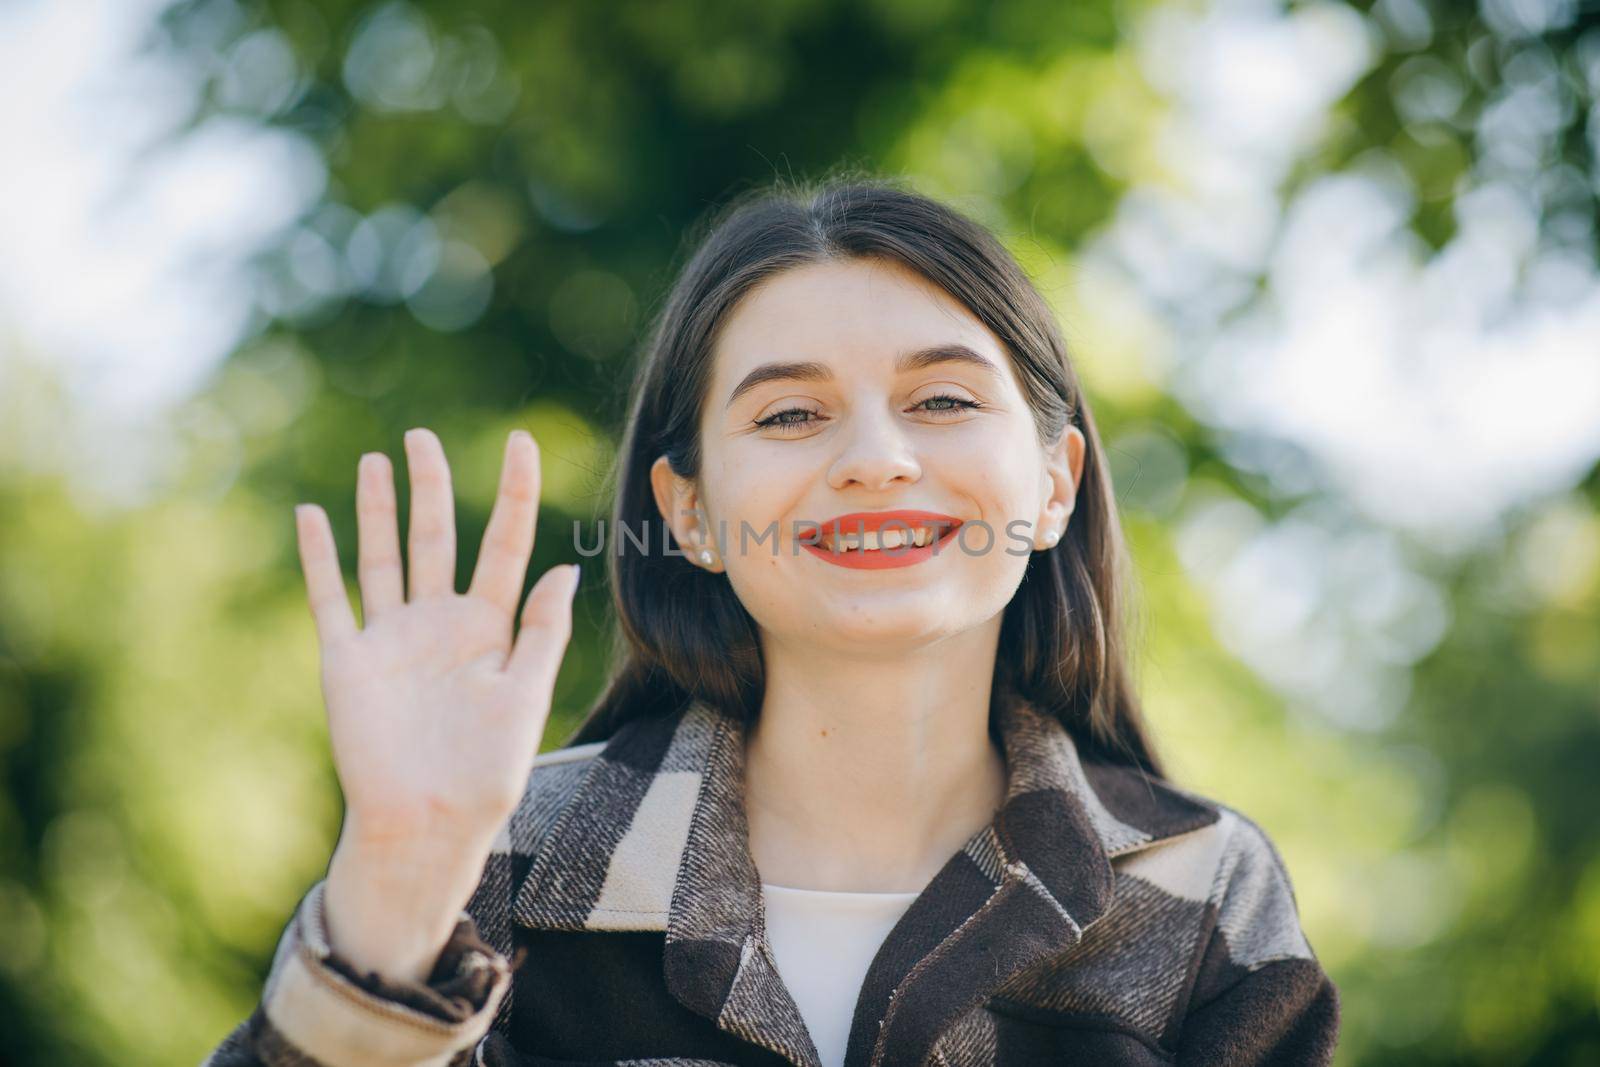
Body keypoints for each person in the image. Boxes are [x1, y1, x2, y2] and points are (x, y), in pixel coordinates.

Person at [202, 177, 1339, 1067]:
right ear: (688, 512)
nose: (875, 461)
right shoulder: (502, 864)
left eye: (941, 398)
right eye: (791, 413)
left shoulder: (1202, 890)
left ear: (1053, 484)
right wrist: (395, 889)